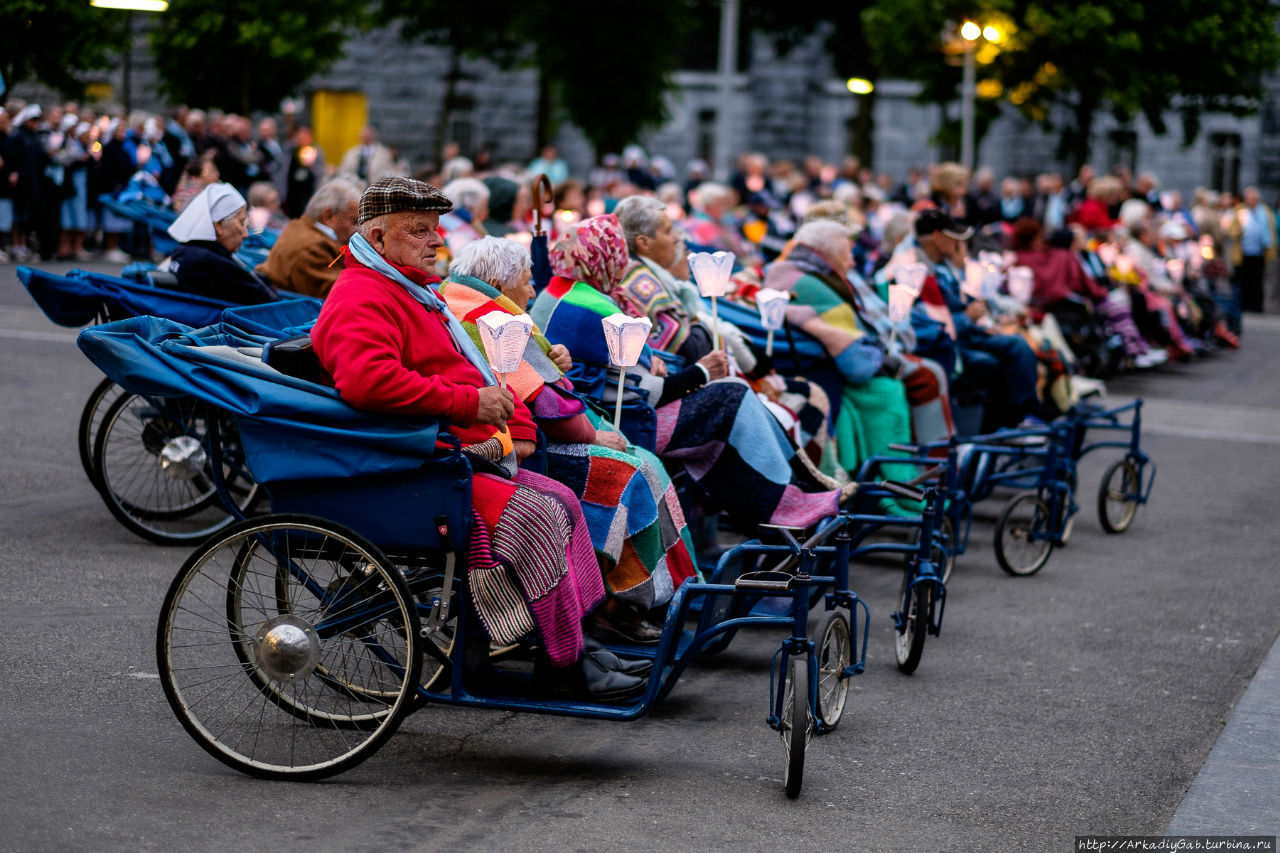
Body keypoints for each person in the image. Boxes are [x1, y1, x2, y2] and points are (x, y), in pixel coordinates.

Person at [310, 177, 644, 701]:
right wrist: (469, 403)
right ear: (376, 239)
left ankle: (572, 642)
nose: (435, 241)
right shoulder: (362, 293)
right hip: (415, 463)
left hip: (451, 450)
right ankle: (562, 663)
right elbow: (366, 379)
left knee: (562, 501)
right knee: (538, 517)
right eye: (418, 231)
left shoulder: (405, 287)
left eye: (435, 230)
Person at [440, 236, 699, 642]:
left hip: (521, 437)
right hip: (520, 448)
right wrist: (596, 434)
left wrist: (551, 357)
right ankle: (620, 604)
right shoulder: (489, 315)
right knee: (627, 470)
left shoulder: (458, 298)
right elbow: (546, 406)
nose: (532, 290)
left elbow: (538, 376)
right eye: (526, 280)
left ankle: (661, 592)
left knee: (642, 462)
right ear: (498, 280)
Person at [531, 214, 855, 533]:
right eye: (618, 254)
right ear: (604, 257)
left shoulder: (562, 291)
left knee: (732, 395)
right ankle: (783, 505)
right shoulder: (594, 304)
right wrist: (700, 372)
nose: (623, 261)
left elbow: (646, 357)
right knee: (731, 396)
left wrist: (660, 360)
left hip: (604, 407)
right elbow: (649, 381)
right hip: (618, 419)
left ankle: (793, 490)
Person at [612, 194, 843, 479]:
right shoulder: (642, 282)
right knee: (750, 399)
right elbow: (686, 346)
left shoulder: (667, 283)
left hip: (687, 387)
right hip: (664, 405)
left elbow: (699, 333)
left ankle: (809, 484)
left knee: (795, 398)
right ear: (644, 243)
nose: (677, 239)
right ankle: (797, 489)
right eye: (669, 231)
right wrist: (729, 362)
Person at [912, 209, 1040, 432]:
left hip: (964, 333)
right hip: (949, 341)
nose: (958, 245)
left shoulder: (941, 268)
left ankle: (1018, 416)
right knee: (995, 362)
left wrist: (982, 322)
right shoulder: (918, 268)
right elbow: (928, 323)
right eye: (955, 240)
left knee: (1017, 344)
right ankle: (1008, 422)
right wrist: (967, 318)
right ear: (937, 237)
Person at [166, 183, 278, 304]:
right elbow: (262, 298)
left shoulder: (186, 252)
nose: (245, 234)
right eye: (241, 223)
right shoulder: (207, 261)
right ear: (219, 225)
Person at [256, 177, 361, 298]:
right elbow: (341, 294)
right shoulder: (309, 249)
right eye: (354, 221)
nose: (358, 229)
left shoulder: (300, 228)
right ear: (329, 216)